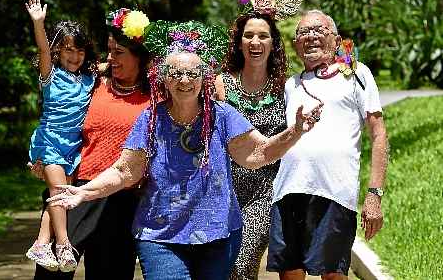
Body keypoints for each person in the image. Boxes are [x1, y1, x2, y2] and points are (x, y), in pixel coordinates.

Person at [47, 20, 322, 280]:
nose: (184, 80)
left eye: (193, 73)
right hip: (160, 235)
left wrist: (295, 130)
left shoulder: (222, 115)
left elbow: (257, 154)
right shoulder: (151, 118)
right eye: (175, 73)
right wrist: (84, 191)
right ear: (163, 79)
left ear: (205, 78)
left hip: (218, 234)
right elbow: (126, 171)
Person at [266, 10, 389, 280]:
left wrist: (374, 195)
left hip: (335, 192)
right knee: (290, 273)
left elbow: (378, 134)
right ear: (295, 44)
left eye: (318, 30)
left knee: (333, 274)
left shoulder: (357, 74)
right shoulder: (291, 85)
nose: (310, 37)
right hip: (288, 191)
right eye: (303, 33)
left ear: (336, 40)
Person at [32, 7, 152, 278]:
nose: (111, 58)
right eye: (109, 50)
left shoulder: (155, 95)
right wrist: (44, 156)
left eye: (119, 52)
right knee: (52, 272)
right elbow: (58, 115)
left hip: (123, 198)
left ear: (139, 56)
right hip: (76, 190)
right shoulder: (94, 81)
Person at [215, 0, 304, 280]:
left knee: (241, 266)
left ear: (272, 43)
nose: (255, 42)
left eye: (263, 36)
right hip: (222, 190)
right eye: (249, 35)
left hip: (264, 192)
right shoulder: (220, 84)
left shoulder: (286, 87)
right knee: (219, 269)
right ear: (239, 41)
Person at [25, 0, 98, 272]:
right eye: (68, 50)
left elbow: (115, 66)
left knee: (62, 196)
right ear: (58, 51)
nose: (74, 56)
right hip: (50, 142)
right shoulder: (51, 74)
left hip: (73, 147)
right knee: (57, 192)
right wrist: (39, 24)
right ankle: (64, 245)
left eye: (80, 51)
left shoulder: (89, 78)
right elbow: (43, 50)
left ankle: (42, 243)